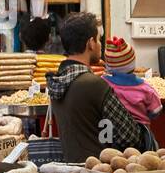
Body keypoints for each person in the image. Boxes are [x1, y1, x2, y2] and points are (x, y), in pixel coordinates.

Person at [46, 13, 146, 163]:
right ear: (90, 43)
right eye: (98, 39)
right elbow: (129, 136)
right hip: (100, 172)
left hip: (71, 169)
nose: (100, 44)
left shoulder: (56, 82)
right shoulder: (93, 84)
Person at [102, 36, 163, 128]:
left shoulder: (103, 83)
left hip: (112, 135)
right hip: (140, 135)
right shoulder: (146, 89)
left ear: (108, 66)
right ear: (133, 63)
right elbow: (156, 111)